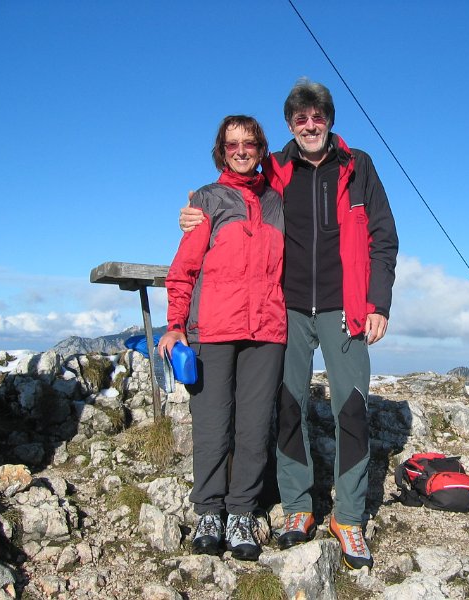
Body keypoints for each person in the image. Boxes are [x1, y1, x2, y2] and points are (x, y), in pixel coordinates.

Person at [180, 79, 398, 570]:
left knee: (351, 409)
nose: (310, 125)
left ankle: (348, 517)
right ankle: (298, 506)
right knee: (288, 406)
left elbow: (383, 238)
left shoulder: (359, 165)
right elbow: (236, 193)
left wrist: (378, 303)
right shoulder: (275, 168)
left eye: (318, 116)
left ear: (330, 120)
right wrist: (196, 213)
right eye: (301, 118)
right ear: (290, 124)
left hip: (346, 309)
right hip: (287, 308)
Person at [160, 115, 286, 561]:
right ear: (222, 151)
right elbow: (184, 270)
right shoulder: (207, 200)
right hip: (211, 329)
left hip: (267, 331)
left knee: (254, 427)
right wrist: (175, 324)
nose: (241, 151)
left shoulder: (277, 203)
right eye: (232, 144)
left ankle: (241, 513)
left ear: (260, 149)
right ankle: (209, 512)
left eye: (249, 143)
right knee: (212, 426)